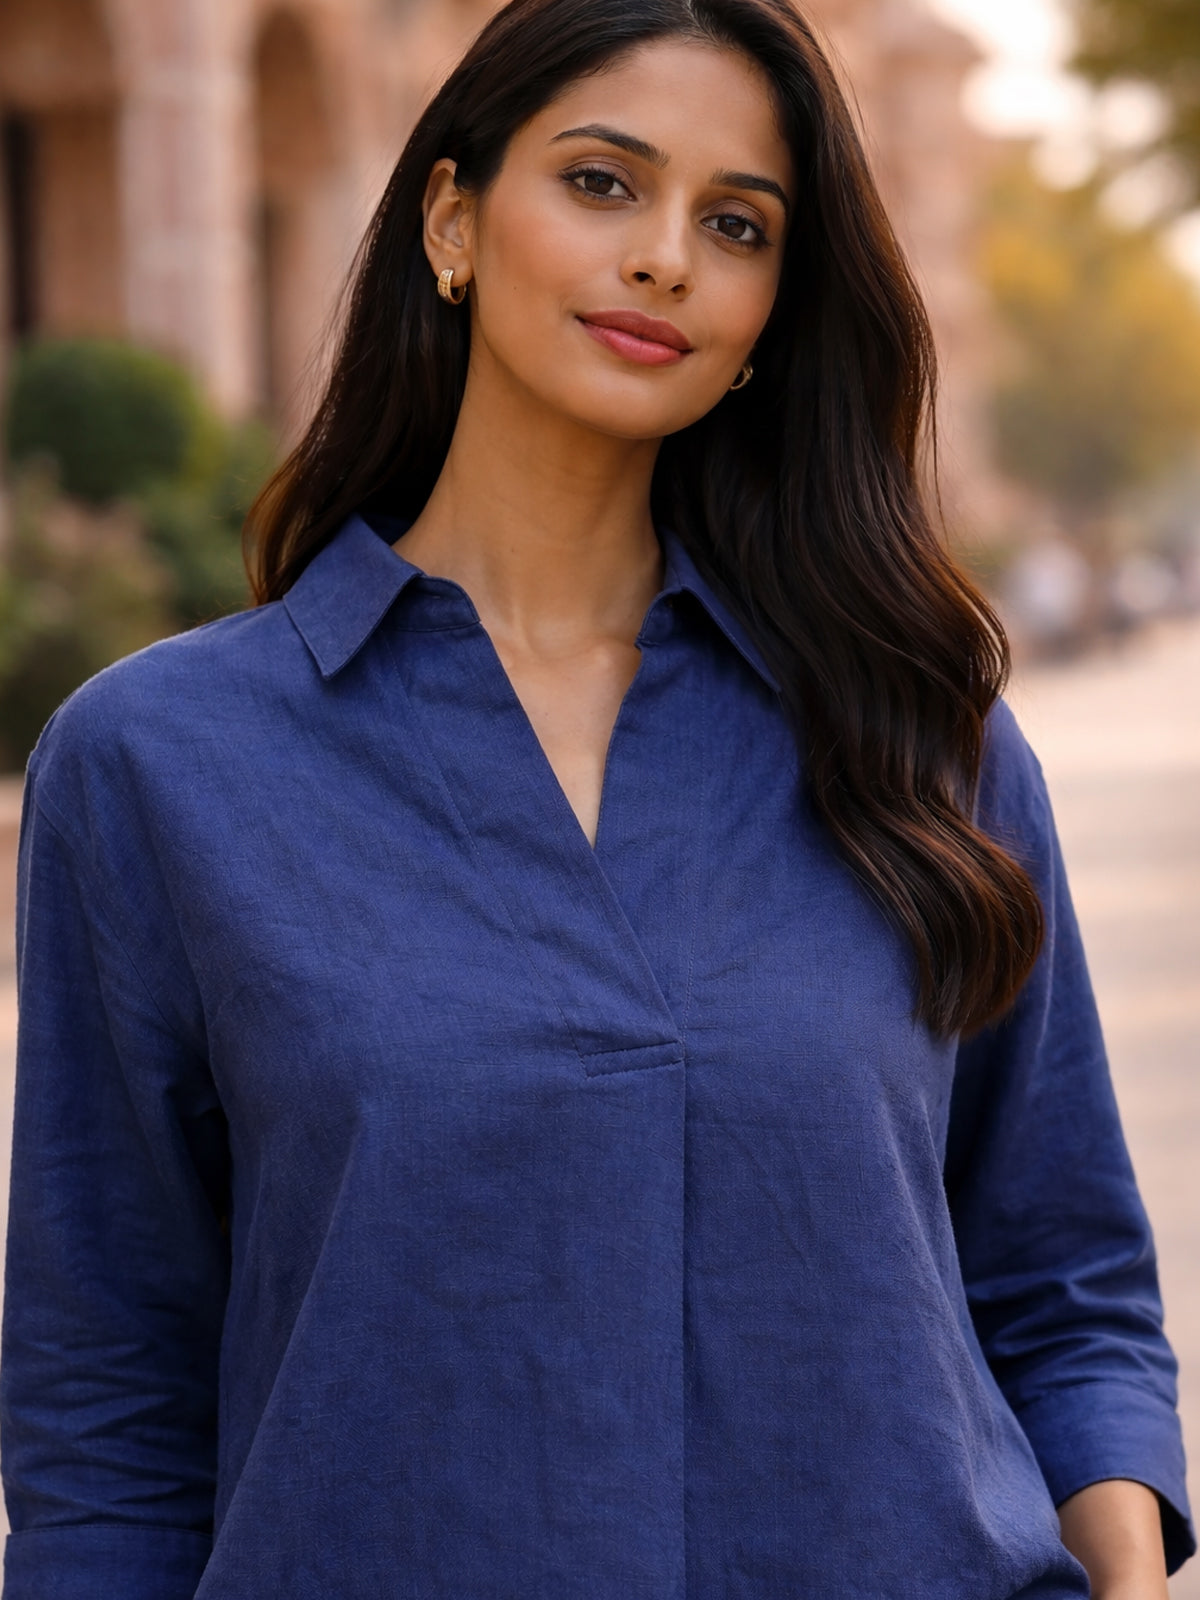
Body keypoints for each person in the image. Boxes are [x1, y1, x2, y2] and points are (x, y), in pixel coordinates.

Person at [2, 0, 1193, 1595]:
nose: (666, 262)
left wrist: (1124, 1569)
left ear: (776, 303)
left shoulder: (924, 742)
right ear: (451, 220)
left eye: (737, 223)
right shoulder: (162, 765)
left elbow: (1066, 1287)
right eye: (602, 184)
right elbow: (109, 1411)